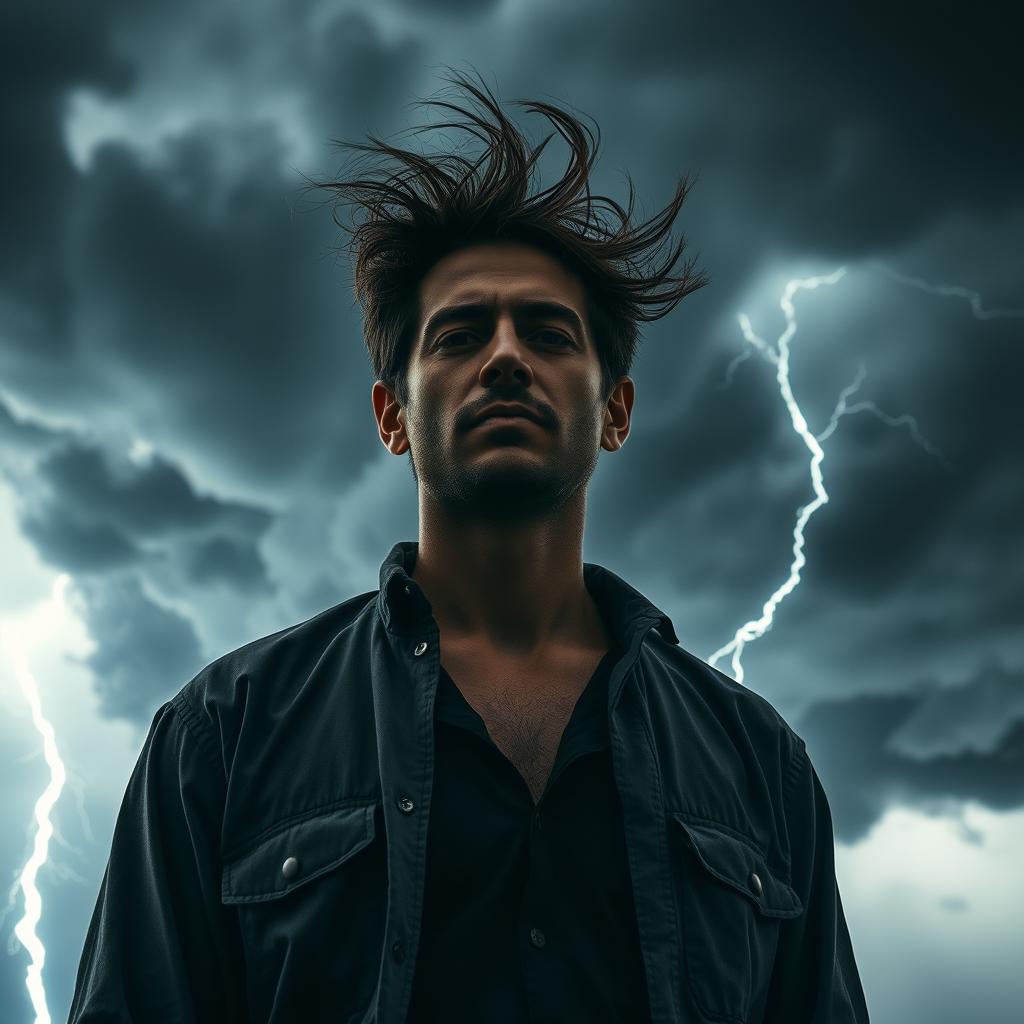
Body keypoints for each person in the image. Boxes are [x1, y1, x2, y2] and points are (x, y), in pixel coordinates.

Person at [68, 68, 869, 1023]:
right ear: (392, 416)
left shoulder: (758, 764)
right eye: (457, 335)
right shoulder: (226, 738)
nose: (503, 357)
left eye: (548, 333)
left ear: (614, 411)